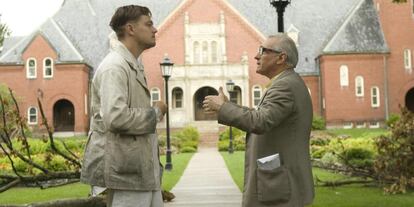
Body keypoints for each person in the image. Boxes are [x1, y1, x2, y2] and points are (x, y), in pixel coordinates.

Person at [203, 34, 314, 207]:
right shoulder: (286, 82)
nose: (256, 56)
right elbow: (261, 114)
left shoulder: (285, 86)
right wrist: (227, 106)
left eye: (263, 51)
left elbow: (260, 121)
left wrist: (223, 108)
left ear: (281, 58)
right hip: (280, 183)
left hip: (281, 186)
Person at [80, 5, 167, 207]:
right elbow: (116, 117)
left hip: (141, 175)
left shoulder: (130, 65)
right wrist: (156, 113)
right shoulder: (115, 67)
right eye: (149, 24)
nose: (155, 29)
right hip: (126, 178)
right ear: (131, 29)